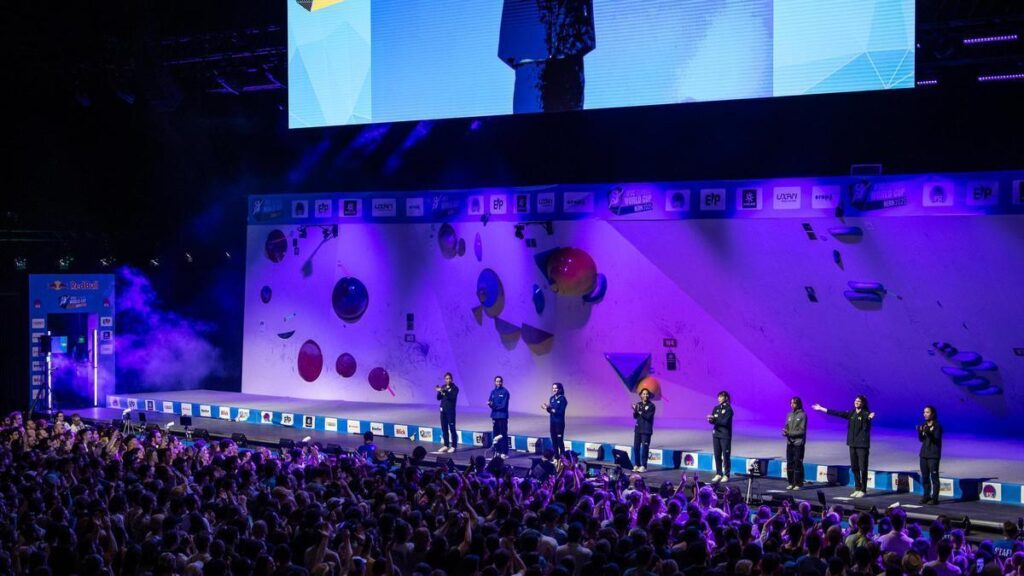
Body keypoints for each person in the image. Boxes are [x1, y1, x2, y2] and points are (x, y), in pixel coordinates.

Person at [812, 396, 875, 497]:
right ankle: (857, 488)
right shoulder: (851, 413)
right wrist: (821, 408)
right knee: (854, 468)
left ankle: (863, 490)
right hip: (852, 444)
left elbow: (868, 419)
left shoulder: (865, 414)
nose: (856, 402)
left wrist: (870, 417)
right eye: (855, 401)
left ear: (863, 403)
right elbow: (837, 413)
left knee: (863, 468)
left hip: (862, 446)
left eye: (859, 401)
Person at [917, 405, 943, 505]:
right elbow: (921, 439)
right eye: (924, 412)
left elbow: (936, 439)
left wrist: (928, 432)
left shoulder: (937, 426)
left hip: (933, 455)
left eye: (927, 412)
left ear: (932, 414)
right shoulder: (924, 425)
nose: (925, 414)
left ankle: (935, 498)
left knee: (934, 477)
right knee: (925, 477)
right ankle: (926, 496)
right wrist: (920, 432)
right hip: (923, 454)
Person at [708, 390, 733, 482]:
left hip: (725, 435)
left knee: (726, 456)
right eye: (718, 397)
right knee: (717, 455)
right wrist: (710, 420)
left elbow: (724, 422)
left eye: (721, 397)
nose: (719, 398)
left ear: (726, 398)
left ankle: (726, 475)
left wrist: (715, 419)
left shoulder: (729, 409)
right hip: (716, 434)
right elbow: (713, 421)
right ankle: (719, 473)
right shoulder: (716, 408)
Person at [784, 396, 808, 490]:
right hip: (789, 443)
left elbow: (802, 431)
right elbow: (786, 426)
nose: (792, 405)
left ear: (798, 404)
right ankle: (791, 482)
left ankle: (798, 483)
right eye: (791, 403)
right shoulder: (789, 415)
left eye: (794, 403)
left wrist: (790, 433)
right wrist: (785, 431)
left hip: (798, 443)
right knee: (790, 463)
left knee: (797, 462)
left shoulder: (803, 415)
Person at [632, 388, 655, 472]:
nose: (645, 395)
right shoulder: (638, 404)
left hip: (646, 430)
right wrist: (635, 410)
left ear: (648, 395)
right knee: (636, 448)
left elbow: (648, 417)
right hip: (638, 429)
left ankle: (644, 466)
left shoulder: (652, 406)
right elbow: (635, 416)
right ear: (641, 395)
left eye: (647, 394)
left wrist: (640, 411)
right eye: (644, 394)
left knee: (645, 448)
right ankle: (637, 465)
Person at [542, 382, 568, 457]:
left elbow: (560, 412)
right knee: (554, 441)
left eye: (556, 388)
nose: (554, 390)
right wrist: (546, 408)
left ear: (560, 389)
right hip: (552, 423)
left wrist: (550, 409)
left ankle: (563, 457)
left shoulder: (563, 399)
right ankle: (556, 457)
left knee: (559, 441)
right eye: (553, 388)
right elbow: (550, 411)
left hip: (559, 423)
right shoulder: (552, 398)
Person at [436, 372, 459, 453]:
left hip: (450, 411)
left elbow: (452, 397)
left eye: (449, 378)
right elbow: (438, 398)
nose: (448, 380)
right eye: (446, 379)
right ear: (444, 379)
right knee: (444, 428)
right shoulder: (443, 387)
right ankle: (446, 445)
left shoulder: (455, 388)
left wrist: (444, 391)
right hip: (443, 411)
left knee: (452, 428)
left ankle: (454, 446)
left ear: (452, 379)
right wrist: (439, 391)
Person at [488, 375, 510, 458]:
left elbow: (503, 406)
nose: (498, 383)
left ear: (502, 382)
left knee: (503, 434)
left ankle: (504, 452)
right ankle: (497, 451)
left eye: (500, 381)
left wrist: (493, 405)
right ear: (494, 382)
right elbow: (490, 402)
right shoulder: (493, 392)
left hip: (502, 416)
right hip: (494, 416)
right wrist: (490, 404)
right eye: (497, 381)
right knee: (496, 434)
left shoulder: (505, 392)